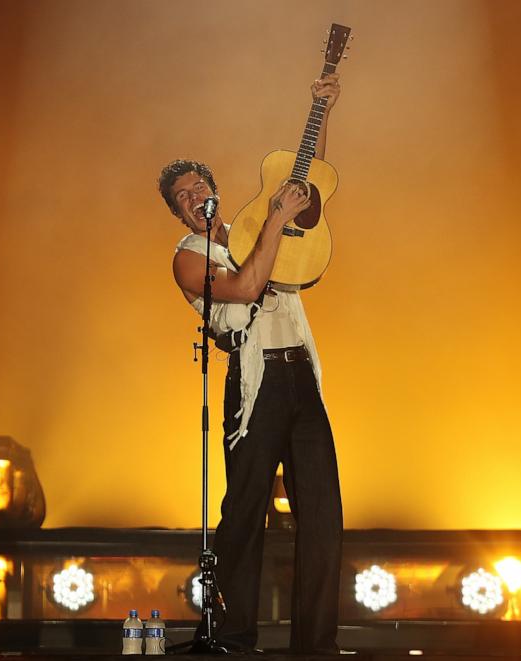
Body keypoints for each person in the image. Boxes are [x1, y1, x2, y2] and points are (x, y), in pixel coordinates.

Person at [157, 74, 343, 654]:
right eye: (182, 197)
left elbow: (306, 185)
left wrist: (321, 108)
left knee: (324, 516)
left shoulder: (250, 226)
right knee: (243, 513)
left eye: (198, 186)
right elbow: (245, 285)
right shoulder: (189, 257)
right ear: (178, 214)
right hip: (253, 381)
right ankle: (231, 635)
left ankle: (315, 644)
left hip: (299, 378)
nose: (194, 197)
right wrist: (270, 220)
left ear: (213, 186)